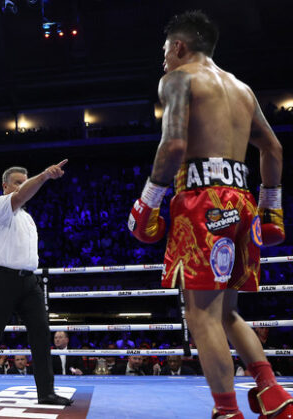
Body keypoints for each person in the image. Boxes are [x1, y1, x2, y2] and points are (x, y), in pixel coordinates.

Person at [128, 10, 290, 418]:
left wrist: (149, 198)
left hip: (202, 202)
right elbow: (274, 150)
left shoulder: (178, 79)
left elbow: (175, 146)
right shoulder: (243, 90)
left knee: (199, 314)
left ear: (179, 47)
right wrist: (271, 208)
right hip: (241, 202)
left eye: (166, 51)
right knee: (227, 312)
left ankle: (226, 411)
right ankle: (272, 391)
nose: (163, 59)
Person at [0, 161, 73, 406]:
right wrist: (44, 175)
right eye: (17, 182)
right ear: (5, 186)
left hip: (29, 281)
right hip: (1, 279)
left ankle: (46, 392)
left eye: (25, 181)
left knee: (42, 333)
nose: (22, 187)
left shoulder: (28, 219)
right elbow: (21, 196)